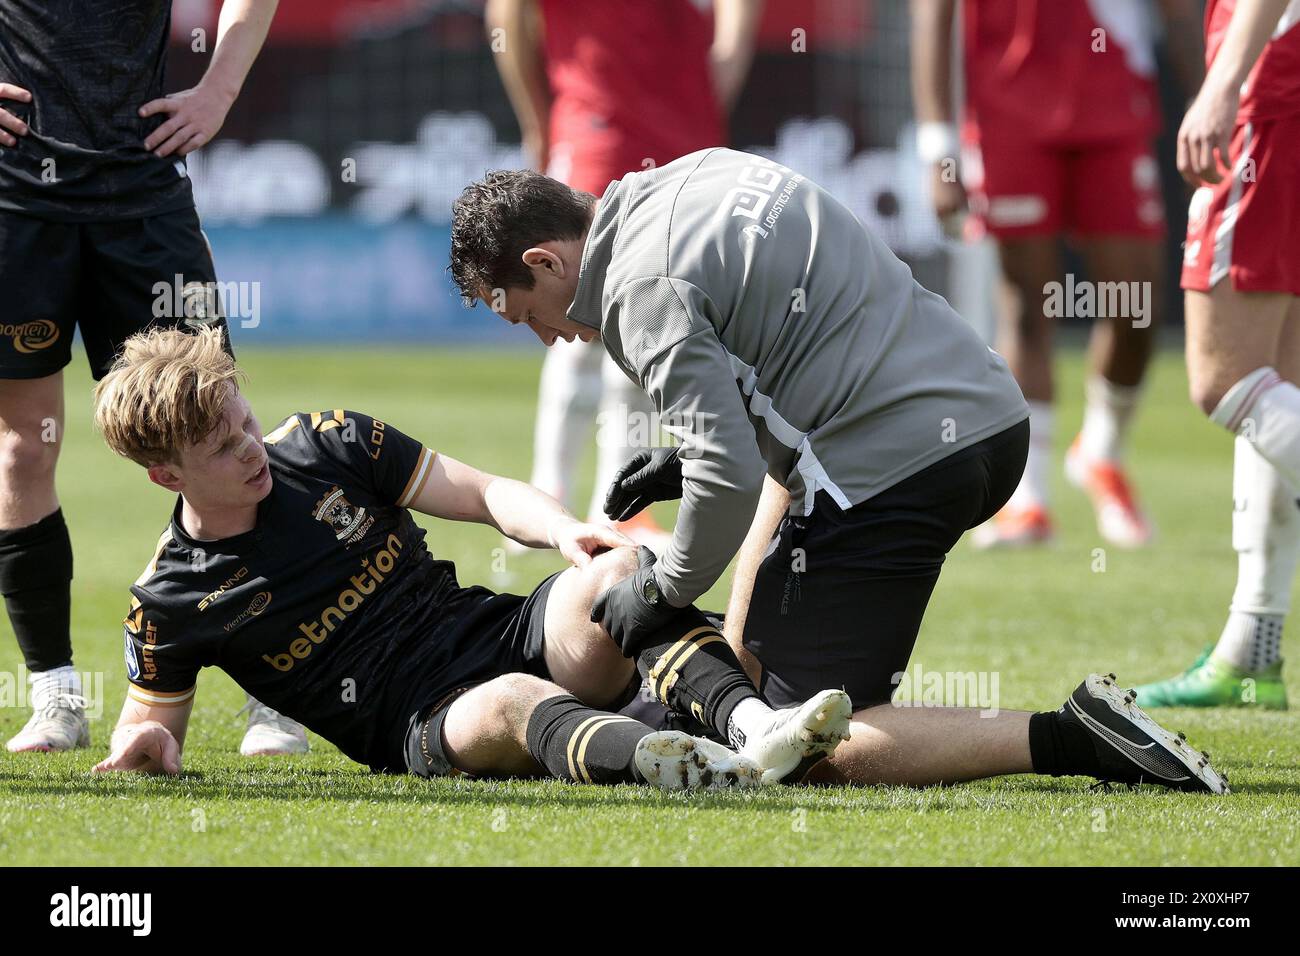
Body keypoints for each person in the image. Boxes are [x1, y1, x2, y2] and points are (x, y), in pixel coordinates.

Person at [447, 148, 1228, 793]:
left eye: (528, 316)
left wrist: (662, 589)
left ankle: (1074, 737)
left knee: (804, 751)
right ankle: (735, 692)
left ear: (545, 260)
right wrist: (690, 457)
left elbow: (728, 478)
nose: (549, 338)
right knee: (785, 507)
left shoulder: (637, 291)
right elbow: (794, 355)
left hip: (893, 470)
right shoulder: (699, 172)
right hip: (989, 421)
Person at [90, 326, 854, 788]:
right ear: (166, 474)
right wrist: (148, 742)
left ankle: (751, 729)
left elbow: (486, 494)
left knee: (617, 576)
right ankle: (689, 767)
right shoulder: (169, 598)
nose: (251, 447)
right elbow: (148, 730)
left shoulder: (327, 441)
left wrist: (563, 532)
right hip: (421, 723)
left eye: (245, 421)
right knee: (509, 703)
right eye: (224, 448)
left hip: (501, 631)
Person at [0, 0, 305, 755]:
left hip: (143, 195)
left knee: (218, 434)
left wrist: (219, 89)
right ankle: (56, 698)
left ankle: (273, 693)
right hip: (14, 201)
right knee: (21, 451)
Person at [912, 0, 1204, 548]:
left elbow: (1179, 11)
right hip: (1007, 114)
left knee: (1135, 304)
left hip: (1114, 104)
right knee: (1028, 305)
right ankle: (1028, 500)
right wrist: (938, 150)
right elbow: (932, 14)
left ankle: (1102, 451)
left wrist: (1204, 98)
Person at [485, 0, 762, 552]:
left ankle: (617, 506)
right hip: (597, 124)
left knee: (655, 313)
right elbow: (508, 14)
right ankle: (550, 491)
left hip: (681, 127)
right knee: (575, 308)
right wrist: (538, 117)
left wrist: (724, 68)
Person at [1136, 0, 1300, 709]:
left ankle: (1248, 650)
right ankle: (1250, 647)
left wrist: (1224, 79)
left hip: (1270, 94)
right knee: (1278, 375)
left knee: (1225, 380)